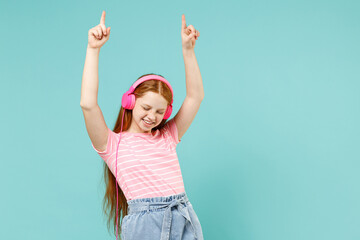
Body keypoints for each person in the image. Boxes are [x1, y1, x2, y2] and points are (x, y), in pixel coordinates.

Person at [80, 10, 204, 240]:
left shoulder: (167, 136)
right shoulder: (112, 145)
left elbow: (195, 97)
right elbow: (88, 105)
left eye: (159, 111)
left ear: (167, 112)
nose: (152, 117)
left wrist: (188, 51)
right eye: (146, 108)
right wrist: (93, 50)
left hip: (182, 214)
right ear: (130, 101)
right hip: (146, 224)